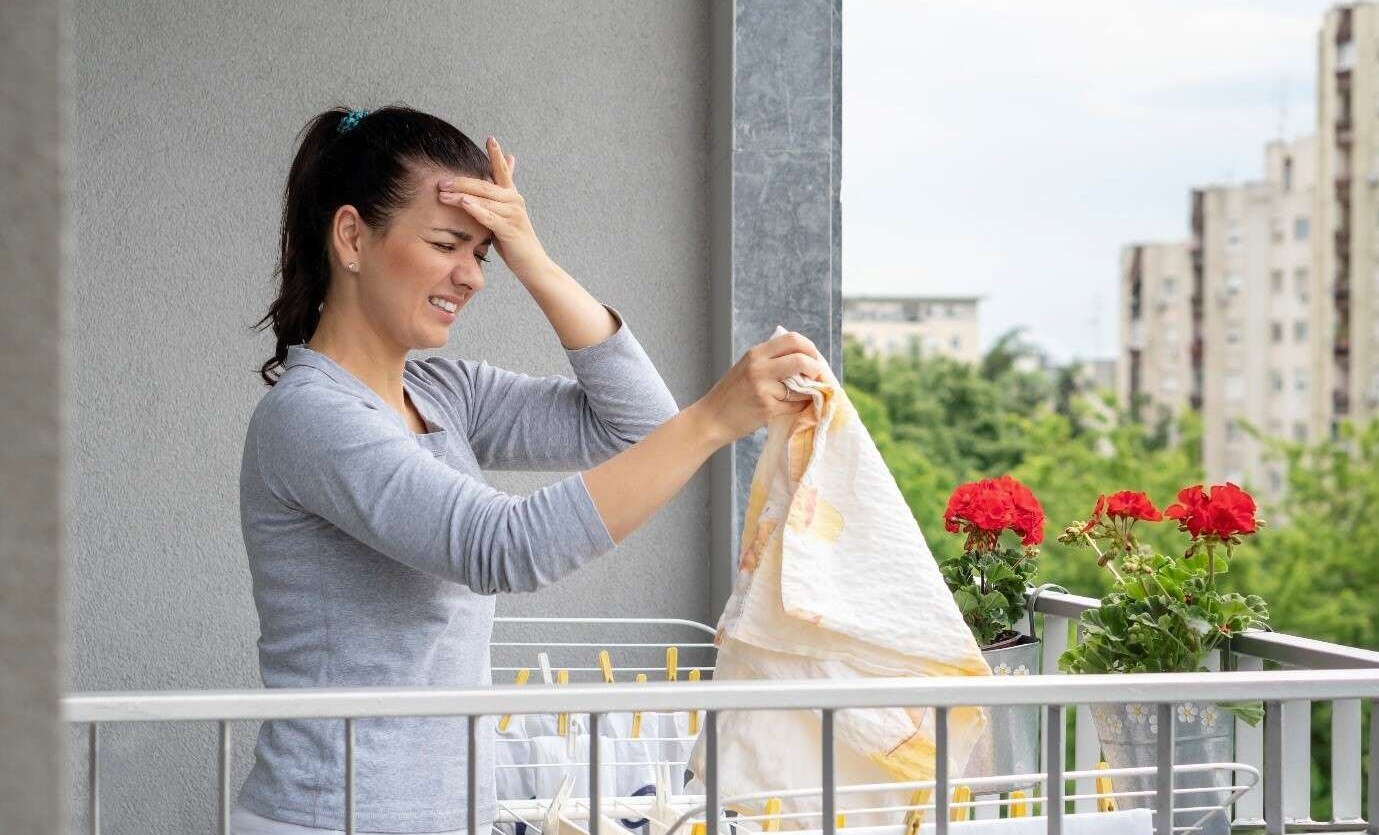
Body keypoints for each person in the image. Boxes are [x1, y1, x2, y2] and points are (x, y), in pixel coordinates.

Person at [231, 105, 828, 834]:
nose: (472, 276)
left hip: (446, 816)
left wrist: (531, 257)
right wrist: (712, 421)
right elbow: (503, 547)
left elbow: (636, 423)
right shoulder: (310, 416)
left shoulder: (441, 394)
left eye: (482, 253)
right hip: (333, 819)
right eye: (449, 242)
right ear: (352, 236)